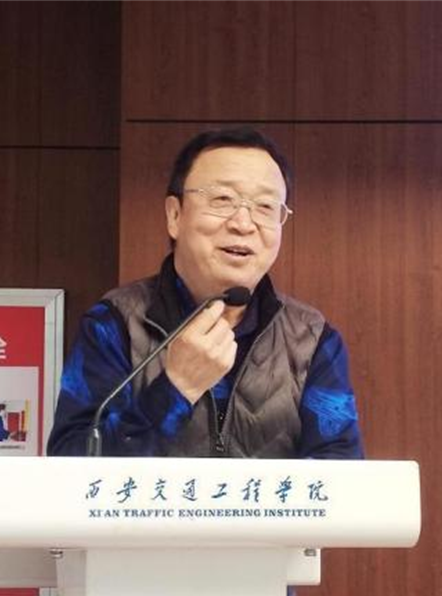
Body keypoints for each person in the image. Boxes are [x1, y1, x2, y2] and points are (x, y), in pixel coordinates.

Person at [47, 127, 363, 459]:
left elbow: (340, 475)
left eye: (266, 206)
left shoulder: (312, 339)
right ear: (175, 215)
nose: (244, 223)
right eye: (222, 200)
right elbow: (71, 464)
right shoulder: (114, 324)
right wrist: (175, 388)